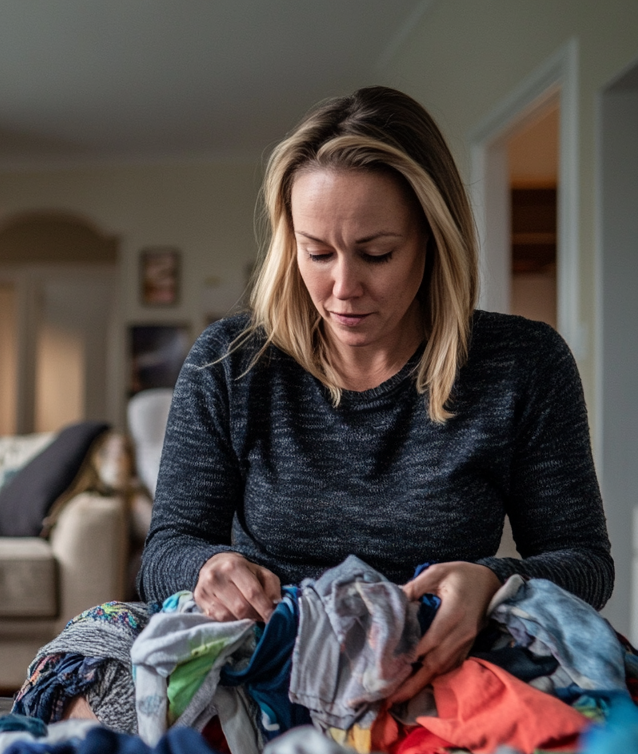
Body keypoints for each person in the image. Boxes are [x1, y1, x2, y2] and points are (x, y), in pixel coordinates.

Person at [138, 85, 612, 705]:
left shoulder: (524, 364)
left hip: (436, 661)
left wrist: (495, 581)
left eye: (377, 254)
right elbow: (166, 549)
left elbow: (585, 562)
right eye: (317, 252)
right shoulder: (230, 361)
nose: (342, 288)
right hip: (264, 653)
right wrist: (208, 569)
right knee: (85, 666)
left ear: (432, 240)